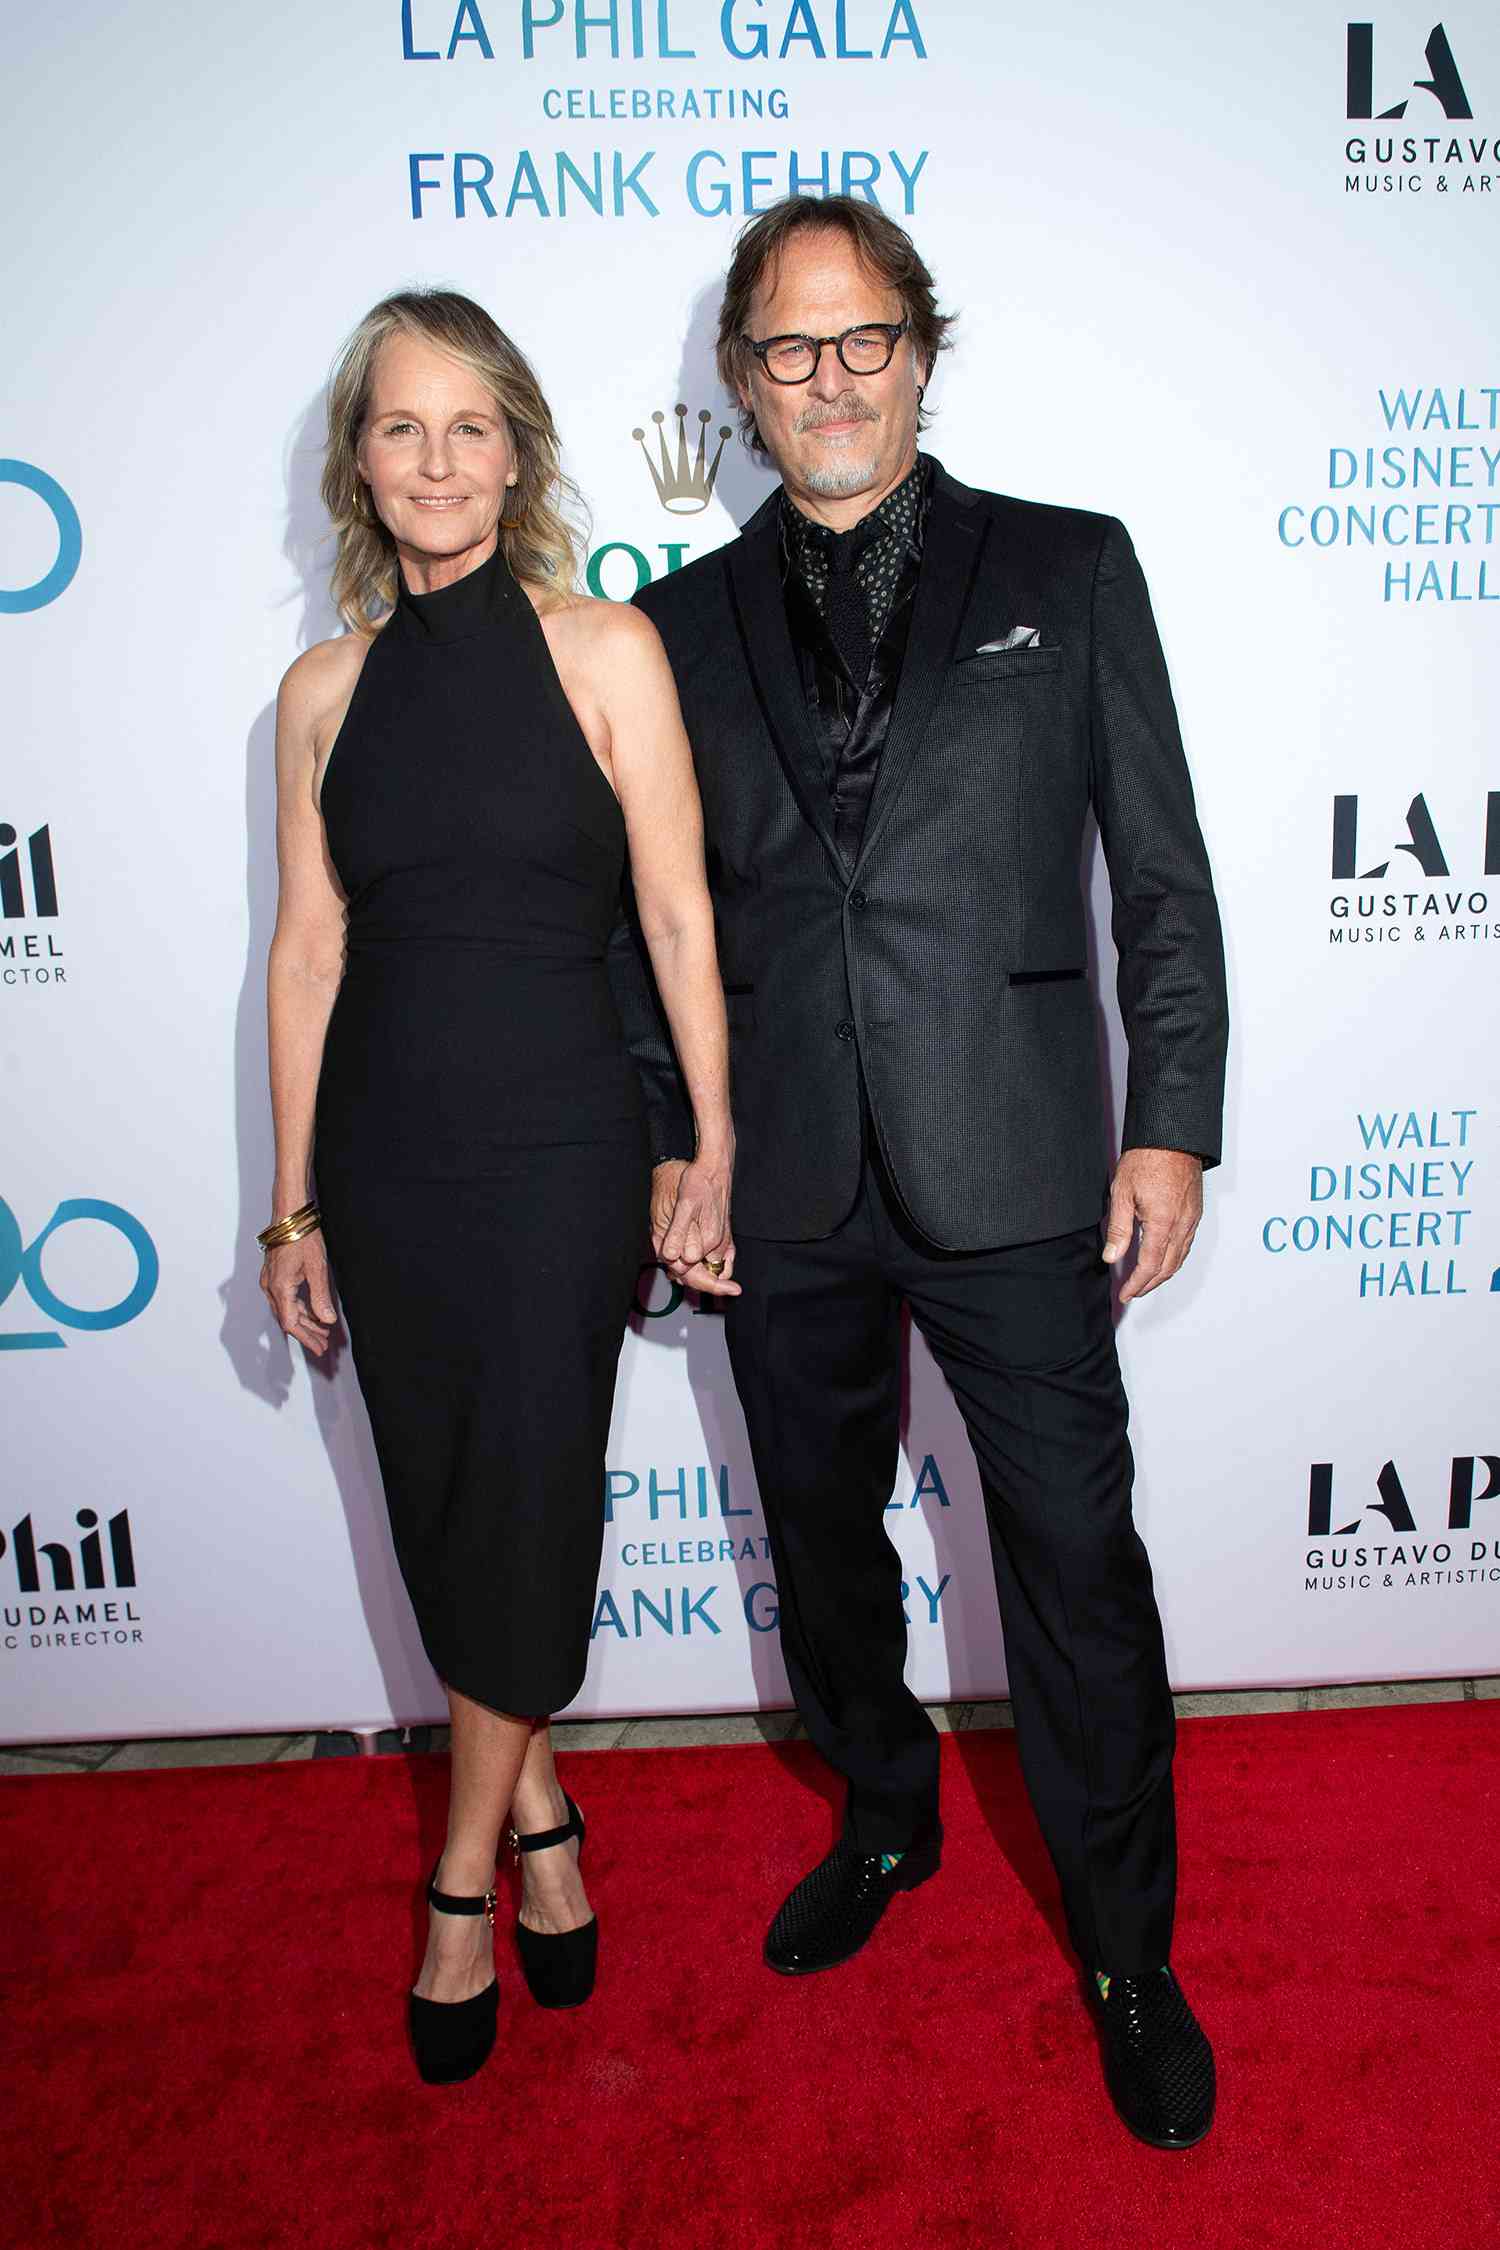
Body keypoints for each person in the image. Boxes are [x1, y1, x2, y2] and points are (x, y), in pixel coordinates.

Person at [621, 199, 1228, 2149]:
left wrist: (1173, 1118)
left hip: (1021, 1159)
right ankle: (886, 1819)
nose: (830, 381)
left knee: (1073, 1568)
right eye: (790, 350)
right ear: (739, 378)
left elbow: (1161, 872)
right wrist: (671, 1144)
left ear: (922, 349)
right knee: (817, 1545)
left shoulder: (1067, 565)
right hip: (784, 1175)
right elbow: (655, 936)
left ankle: (1130, 1951)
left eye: (863, 339)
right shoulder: (674, 629)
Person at [260, 288, 736, 2085]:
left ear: (519, 447)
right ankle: (543, 1811)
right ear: (359, 463)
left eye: (471, 425)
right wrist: (291, 1202)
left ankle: (461, 1868)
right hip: (387, 1153)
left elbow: (683, 915)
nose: (437, 459)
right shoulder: (318, 694)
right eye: (401, 426)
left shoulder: (605, 649)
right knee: (444, 1487)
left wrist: (721, 1136)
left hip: (561, 1153)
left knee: (530, 1488)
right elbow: (308, 956)